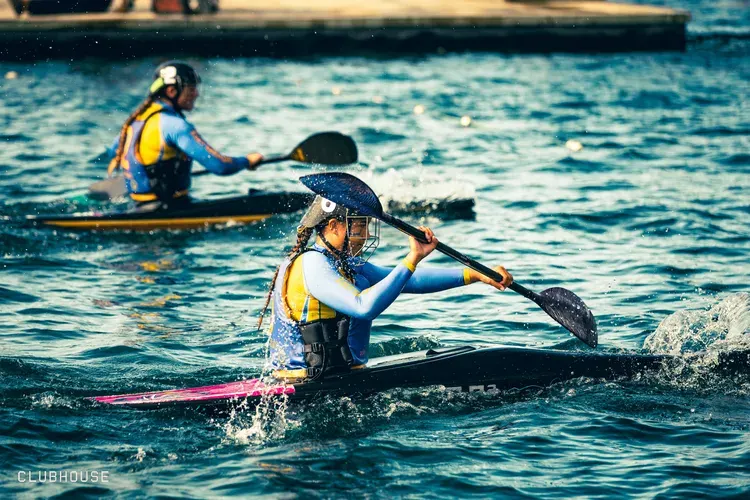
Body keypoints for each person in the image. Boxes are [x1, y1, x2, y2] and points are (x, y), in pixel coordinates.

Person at [259, 195, 514, 381]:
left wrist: (475, 275)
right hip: (303, 382)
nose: (367, 235)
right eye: (360, 225)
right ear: (334, 225)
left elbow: (408, 280)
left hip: (339, 376)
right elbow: (363, 306)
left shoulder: (346, 263)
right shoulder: (312, 264)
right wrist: (412, 258)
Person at [106, 61, 262, 207]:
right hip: (170, 207)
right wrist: (247, 161)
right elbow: (220, 166)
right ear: (172, 91)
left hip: (138, 204)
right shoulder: (175, 125)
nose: (196, 94)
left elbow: (113, 153)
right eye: (191, 89)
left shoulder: (136, 121)